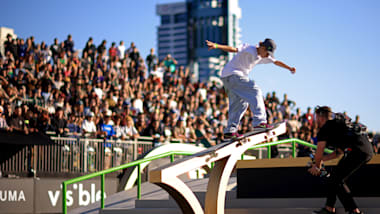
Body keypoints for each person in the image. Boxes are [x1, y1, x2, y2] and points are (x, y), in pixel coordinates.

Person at [206, 39, 296, 139]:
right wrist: (217, 46)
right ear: (262, 47)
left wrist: (289, 68)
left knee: (240, 103)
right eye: (266, 52)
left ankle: (230, 131)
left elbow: (276, 62)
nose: (267, 56)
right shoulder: (249, 48)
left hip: (227, 78)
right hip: (233, 74)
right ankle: (259, 122)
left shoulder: (263, 56)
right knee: (255, 90)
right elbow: (233, 49)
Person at [308, 106, 373, 214]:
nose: (315, 120)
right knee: (335, 177)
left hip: (357, 151)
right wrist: (322, 160)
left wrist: (317, 166)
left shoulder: (325, 128)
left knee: (335, 178)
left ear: (321, 117)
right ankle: (329, 208)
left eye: (316, 117)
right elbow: (338, 153)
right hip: (367, 149)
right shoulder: (337, 125)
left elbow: (318, 154)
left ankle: (353, 211)